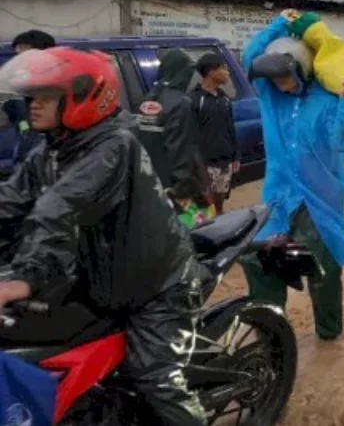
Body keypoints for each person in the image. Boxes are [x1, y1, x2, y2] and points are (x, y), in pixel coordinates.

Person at [0, 48, 206, 425]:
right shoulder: (50, 151)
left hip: (156, 289)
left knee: (156, 380)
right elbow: (10, 204)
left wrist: (25, 278)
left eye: (46, 96)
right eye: (32, 96)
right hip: (97, 280)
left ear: (83, 98)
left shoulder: (114, 145)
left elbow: (57, 209)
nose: (33, 105)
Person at [240, 13, 344, 341]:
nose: (281, 83)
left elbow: (343, 142)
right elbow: (249, 56)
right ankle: (271, 332)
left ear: (303, 69)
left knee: (321, 265)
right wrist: (279, 23)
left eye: (286, 76)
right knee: (257, 257)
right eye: (276, 77)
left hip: (320, 198)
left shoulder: (326, 100)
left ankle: (329, 333)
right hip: (279, 196)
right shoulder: (270, 97)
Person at [135, 48, 207, 227]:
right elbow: (181, 150)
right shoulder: (181, 104)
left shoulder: (146, 101)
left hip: (149, 186)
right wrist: (184, 191)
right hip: (176, 189)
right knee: (198, 231)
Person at [0, 30, 55, 181]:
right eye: (17, 56)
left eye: (23, 56)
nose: (18, 62)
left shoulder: (59, 85)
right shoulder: (15, 85)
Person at [190, 52, 239, 216]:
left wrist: (235, 156)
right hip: (205, 165)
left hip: (224, 163)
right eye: (224, 68)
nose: (228, 72)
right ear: (211, 71)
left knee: (219, 204)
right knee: (202, 207)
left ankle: (220, 233)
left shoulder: (224, 99)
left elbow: (230, 128)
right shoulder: (195, 100)